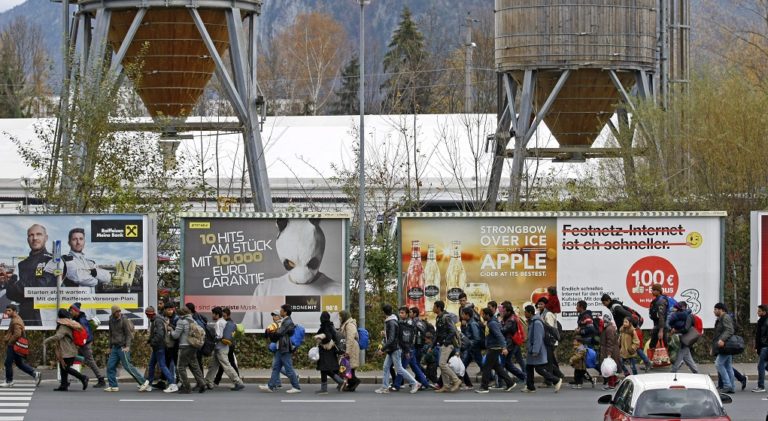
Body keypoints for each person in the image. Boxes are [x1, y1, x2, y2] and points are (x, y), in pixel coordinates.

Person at [3, 224, 57, 326]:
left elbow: (39, 287)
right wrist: (29, 287)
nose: (34, 238)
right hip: (24, 318)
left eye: (39, 234)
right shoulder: (21, 264)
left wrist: (19, 287)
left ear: (46, 238)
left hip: (46, 319)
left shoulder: (53, 260)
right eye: (31, 235)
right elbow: (10, 292)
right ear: (28, 239)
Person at [375, 304, 419, 394]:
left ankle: (415, 383)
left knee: (399, 369)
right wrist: (385, 334)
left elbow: (391, 339)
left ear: (383, 312)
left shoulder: (391, 322)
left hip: (395, 349)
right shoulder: (392, 321)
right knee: (386, 367)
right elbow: (392, 336)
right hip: (392, 349)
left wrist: (382, 349)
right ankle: (385, 387)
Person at [105, 305, 149, 392]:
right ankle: (113, 386)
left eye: (119, 311)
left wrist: (127, 346)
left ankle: (143, 382)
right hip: (115, 347)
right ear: (113, 313)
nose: (118, 313)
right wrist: (110, 347)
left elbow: (129, 334)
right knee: (110, 366)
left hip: (123, 347)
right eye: (117, 312)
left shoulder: (124, 320)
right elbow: (111, 334)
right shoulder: (111, 320)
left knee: (127, 366)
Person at [44, 309, 89, 391]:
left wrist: (46, 341)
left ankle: (83, 377)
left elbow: (58, 336)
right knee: (62, 367)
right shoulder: (68, 323)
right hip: (68, 349)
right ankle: (63, 385)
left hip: (68, 350)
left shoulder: (63, 326)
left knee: (66, 368)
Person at [260, 304, 301, 393]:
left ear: (285, 312)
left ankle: (296, 387)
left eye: (281, 310)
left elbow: (279, 333)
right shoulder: (284, 321)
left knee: (288, 369)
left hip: (284, 348)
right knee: (276, 368)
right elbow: (279, 333)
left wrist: (270, 333)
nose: (280, 312)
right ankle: (270, 386)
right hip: (280, 347)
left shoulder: (287, 322)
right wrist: (271, 333)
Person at [522, 305, 562, 393]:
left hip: (537, 350)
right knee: (529, 367)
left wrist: (535, 351)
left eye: (525, 312)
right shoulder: (532, 321)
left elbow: (538, 338)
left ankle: (556, 380)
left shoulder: (536, 323)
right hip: (532, 349)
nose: (524, 313)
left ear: (530, 312)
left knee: (538, 369)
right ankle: (530, 387)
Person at [476, 307, 516, 393]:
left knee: (486, 367)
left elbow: (499, 335)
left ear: (487, 315)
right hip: (493, 347)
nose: (482, 316)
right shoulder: (490, 322)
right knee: (497, 368)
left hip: (494, 348)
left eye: (483, 314)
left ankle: (484, 387)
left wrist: (504, 347)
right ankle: (510, 383)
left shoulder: (492, 323)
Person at [204, 307, 245, 391]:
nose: (212, 315)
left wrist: (211, 338)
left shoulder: (219, 323)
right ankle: (208, 382)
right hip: (222, 347)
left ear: (217, 314)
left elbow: (219, 336)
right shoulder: (224, 321)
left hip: (220, 348)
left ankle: (238, 382)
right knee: (213, 365)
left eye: (213, 314)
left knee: (226, 365)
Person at [0, 304, 41, 388]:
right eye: (7, 310)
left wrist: (10, 342)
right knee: (19, 363)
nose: (7, 312)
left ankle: (9, 381)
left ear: (14, 311)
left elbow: (17, 334)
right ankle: (34, 373)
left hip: (14, 345)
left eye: (9, 311)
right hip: (16, 344)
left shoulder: (15, 321)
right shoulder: (16, 319)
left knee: (8, 363)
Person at [62, 228, 111, 295]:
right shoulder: (66, 260)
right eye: (74, 239)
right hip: (75, 303)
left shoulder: (90, 262)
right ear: (69, 242)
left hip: (91, 303)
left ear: (84, 241)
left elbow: (107, 277)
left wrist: (93, 273)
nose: (78, 242)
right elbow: (79, 277)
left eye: (81, 239)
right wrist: (97, 279)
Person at [171, 306, 207, 394]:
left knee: (180, 367)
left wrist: (171, 330)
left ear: (180, 314)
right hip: (193, 346)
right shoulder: (192, 320)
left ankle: (187, 387)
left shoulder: (181, 321)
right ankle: (202, 384)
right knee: (195, 366)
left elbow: (175, 335)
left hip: (184, 347)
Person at [393, 306, 430, 391]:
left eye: (402, 313)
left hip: (409, 349)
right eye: (400, 313)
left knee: (401, 367)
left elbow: (407, 338)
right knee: (415, 367)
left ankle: (397, 385)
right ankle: (425, 383)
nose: (400, 314)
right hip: (414, 347)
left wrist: (407, 350)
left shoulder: (409, 323)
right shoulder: (417, 322)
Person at [69, 302, 105, 387]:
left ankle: (101, 379)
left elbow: (85, 333)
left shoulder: (81, 320)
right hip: (82, 344)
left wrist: (82, 343)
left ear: (76, 311)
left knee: (90, 361)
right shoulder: (77, 318)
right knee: (77, 359)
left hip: (85, 344)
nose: (70, 312)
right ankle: (78, 378)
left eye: (71, 310)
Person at [144, 306, 177, 393]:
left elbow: (159, 335)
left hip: (159, 346)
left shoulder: (157, 320)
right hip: (157, 346)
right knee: (151, 365)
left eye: (148, 314)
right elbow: (155, 334)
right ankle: (149, 384)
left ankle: (172, 384)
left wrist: (152, 342)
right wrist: (149, 341)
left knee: (162, 365)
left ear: (149, 314)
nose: (148, 316)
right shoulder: (156, 319)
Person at [433, 300, 461, 393]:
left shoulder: (446, 317)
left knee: (442, 364)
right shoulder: (438, 317)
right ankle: (446, 386)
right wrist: (432, 346)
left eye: (434, 306)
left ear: (439, 308)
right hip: (442, 344)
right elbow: (437, 334)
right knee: (442, 365)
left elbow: (452, 331)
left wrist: (445, 342)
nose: (433, 308)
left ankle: (456, 380)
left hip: (448, 345)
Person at [313, 311, 344, 394]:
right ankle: (339, 381)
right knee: (325, 370)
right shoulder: (330, 325)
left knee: (324, 369)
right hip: (330, 351)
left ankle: (324, 389)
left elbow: (328, 337)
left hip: (326, 351)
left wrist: (321, 341)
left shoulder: (325, 326)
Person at [537, 297, 565, 384]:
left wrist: (550, 342)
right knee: (550, 361)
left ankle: (548, 381)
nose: (539, 305)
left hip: (550, 342)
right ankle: (559, 375)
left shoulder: (548, 314)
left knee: (547, 361)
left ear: (546, 305)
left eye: (541, 304)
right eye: (538, 304)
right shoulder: (541, 314)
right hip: (546, 341)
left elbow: (550, 328)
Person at [499, 301, 527, 384]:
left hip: (510, 344)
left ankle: (503, 382)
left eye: (504, 311)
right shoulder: (510, 318)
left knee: (505, 364)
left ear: (508, 311)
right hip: (513, 343)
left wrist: (499, 324)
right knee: (509, 363)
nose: (502, 313)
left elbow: (503, 330)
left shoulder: (511, 320)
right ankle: (524, 376)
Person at [668, 302, 699, 374]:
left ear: (684, 307)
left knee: (679, 356)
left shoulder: (688, 316)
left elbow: (686, 329)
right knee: (687, 357)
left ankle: (673, 371)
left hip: (683, 339)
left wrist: (676, 330)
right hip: (681, 339)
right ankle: (696, 372)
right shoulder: (678, 316)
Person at [213, 307, 241, 387]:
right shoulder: (230, 322)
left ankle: (237, 381)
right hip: (229, 344)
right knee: (225, 364)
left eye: (224, 316)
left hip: (227, 345)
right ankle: (216, 381)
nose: (223, 317)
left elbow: (221, 335)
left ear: (228, 315)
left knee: (229, 363)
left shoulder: (227, 323)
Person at [713, 302, 735, 394]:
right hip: (725, 345)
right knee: (728, 366)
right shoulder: (721, 318)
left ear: (721, 310)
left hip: (725, 345)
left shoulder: (725, 317)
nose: (714, 311)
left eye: (715, 309)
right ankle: (731, 387)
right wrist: (713, 347)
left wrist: (722, 339)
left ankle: (727, 385)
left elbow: (730, 330)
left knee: (718, 364)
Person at [459, 306, 483, 389]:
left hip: (474, 348)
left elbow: (476, 338)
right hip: (470, 349)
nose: (461, 315)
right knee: (462, 366)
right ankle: (468, 384)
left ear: (467, 315)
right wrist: (463, 326)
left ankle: (491, 379)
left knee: (482, 365)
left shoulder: (473, 323)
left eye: (463, 314)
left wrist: (469, 344)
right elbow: (466, 334)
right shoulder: (468, 323)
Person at [338, 310, 361, 391]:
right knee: (349, 367)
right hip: (350, 347)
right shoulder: (346, 324)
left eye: (340, 316)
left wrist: (347, 351)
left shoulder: (349, 325)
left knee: (349, 367)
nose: (339, 318)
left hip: (352, 348)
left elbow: (350, 338)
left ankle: (354, 382)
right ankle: (351, 385)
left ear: (344, 316)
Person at [600, 313, 620, 389]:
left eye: (604, 319)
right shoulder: (608, 328)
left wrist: (609, 354)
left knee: (609, 368)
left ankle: (611, 385)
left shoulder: (609, 329)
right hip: (612, 350)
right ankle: (614, 381)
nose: (603, 321)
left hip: (611, 351)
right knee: (612, 368)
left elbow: (610, 342)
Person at [186, 303, 209, 370]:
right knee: (197, 362)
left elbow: (199, 331)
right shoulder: (198, 315)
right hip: (198, 343)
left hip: (196, 344)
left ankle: (201, 378)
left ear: (189, 309)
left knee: (197, 362)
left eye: (186, 308)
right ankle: (200, 378)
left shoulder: (194, 318)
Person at [649, 284, 670, 349]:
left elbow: (661, 316)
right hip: (658, 325)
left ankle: (666, 358)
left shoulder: (661, 301)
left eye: (653, 290)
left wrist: (661, 331)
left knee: (661, 346)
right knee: (652, 345)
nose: (652, 291)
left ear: (658, 291)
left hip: (661, 326)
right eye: (652, 290)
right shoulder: (657, 300)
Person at [754, 304, 768, 393]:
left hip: (765, 346)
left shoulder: (765, 321)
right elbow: (758, 335)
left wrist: (760, 345)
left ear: (764, 312)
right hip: (763, 346)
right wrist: (756, 346)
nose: (757, 312)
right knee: (765, 366)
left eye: (759, 311)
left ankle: (761, 386)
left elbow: (761, 335)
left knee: (761, 366)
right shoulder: (761, 321)